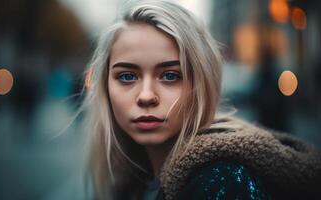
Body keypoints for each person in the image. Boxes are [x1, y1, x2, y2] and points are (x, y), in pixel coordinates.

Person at [83, 1, 321, 199]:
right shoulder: (131, 182)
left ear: (201, 84)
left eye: (170, 75)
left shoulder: (223, 184)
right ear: (105, 85)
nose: (146, 96)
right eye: (127, 76)